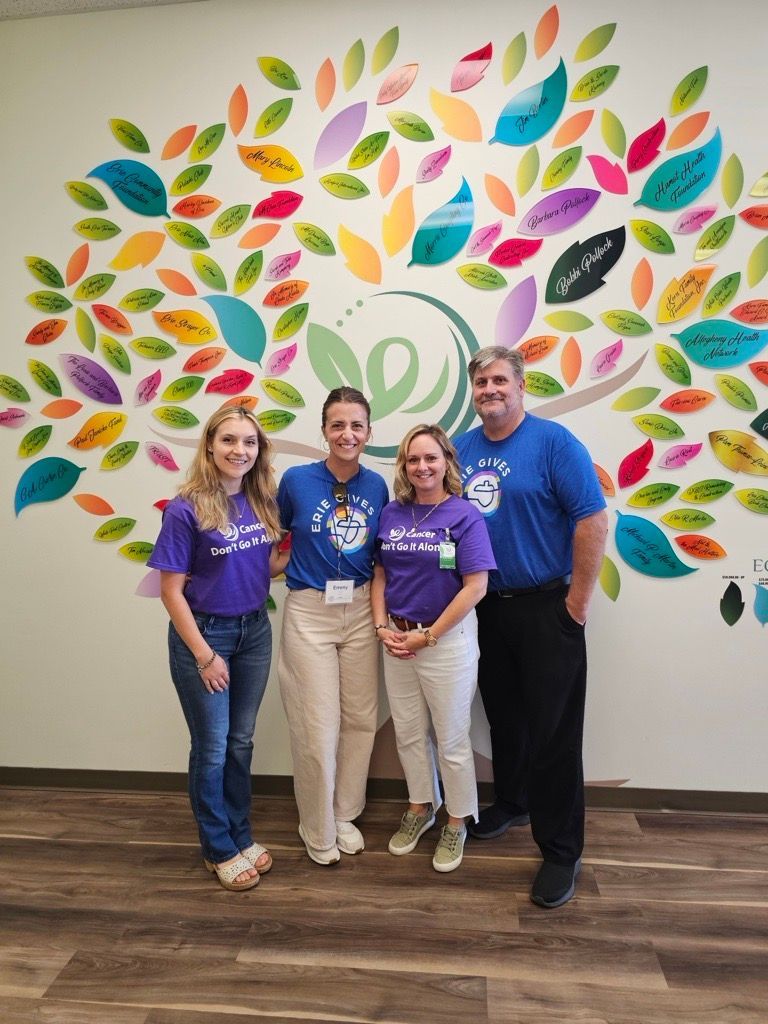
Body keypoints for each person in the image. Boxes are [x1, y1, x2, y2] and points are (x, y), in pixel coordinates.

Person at [454, 346, 608, 908]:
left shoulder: (554, 444)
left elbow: (592, 518)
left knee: (555, 733)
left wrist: (577, 604)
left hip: (548, 607)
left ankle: (561, 850)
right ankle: (513, 803)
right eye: (480, 382)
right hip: (485, 607)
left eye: (499, 380)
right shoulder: (462, 450)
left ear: (521, 386)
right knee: (505, 717)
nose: (489, 390)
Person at [147, 406, 284, 892]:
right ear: (209, 445)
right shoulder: (186, 508)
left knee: (240, 742)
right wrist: (205, 655)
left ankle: (241, 835)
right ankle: (218, 847)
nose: (239, 451)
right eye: (229, 440)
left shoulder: (259, 499)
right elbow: (170, 591)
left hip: (254, 632)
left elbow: (259, 570)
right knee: (212, 748)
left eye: (249, 442)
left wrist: (288, 555)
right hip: (205, 636)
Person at [371, 425, 495, 872]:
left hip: (445, 643)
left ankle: (457, 819)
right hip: (398, 639)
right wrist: (381, 626)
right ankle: (421, 807)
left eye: (430, 458)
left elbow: (475, 586)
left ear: (446, 461)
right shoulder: (391, 513)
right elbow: (381, 574)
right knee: (408, 733)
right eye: (412, 460)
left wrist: (430, 635)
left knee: (452, 739)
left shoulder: (465, 515)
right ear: (404, 466)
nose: (421, 467)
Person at [277, 387, 388, 865]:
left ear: (368, 432)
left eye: (356, 425)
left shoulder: (378, 486)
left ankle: (345, 812)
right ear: (324, 430)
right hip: (310, 610)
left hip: (362, 608)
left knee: (361, 719)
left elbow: (384, 555)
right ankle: (316, 824)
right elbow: (276, 543)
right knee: (316, 725)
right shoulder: (296, 481)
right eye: (338, 425)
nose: (347, 434)